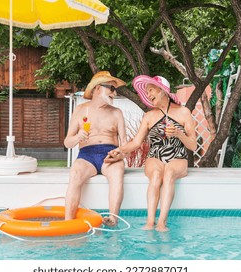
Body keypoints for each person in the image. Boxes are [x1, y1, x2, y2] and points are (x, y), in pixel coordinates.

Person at [105, 75, 197, 232]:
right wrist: (119, 151)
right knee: (155, 175)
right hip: (155, 156)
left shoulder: (183, 112)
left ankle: (162, 222)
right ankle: (149, 222)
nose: (148, 95)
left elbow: (193, 145)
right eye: (147, 92)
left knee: (168, 173)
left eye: (151, 91)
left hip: (178, 156)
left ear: (162, 91)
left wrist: (178, 134)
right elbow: (136, 143)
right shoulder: (149, 116)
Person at [64, 71, 127, 226]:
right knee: (76, 173)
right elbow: (67, 143)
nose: (115, 92)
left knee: (117, 173)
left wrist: (119, 154)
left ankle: (112, 218)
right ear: (98, 88)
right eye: (111, 89)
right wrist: (78, 137)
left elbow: (124, 143)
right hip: (87, 156)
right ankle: (67, 223)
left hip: (111, 154)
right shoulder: (80, 110)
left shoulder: (117, 113)